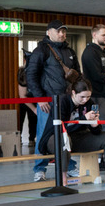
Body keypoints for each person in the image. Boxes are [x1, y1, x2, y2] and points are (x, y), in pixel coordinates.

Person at [37, 79, 105, 188]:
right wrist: (84, 119)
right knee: (64, 140)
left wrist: (94, 125)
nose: (85, 100)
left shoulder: (89, 103)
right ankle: (62, 179)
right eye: (82, 97)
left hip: (78, 138)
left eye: (88, 97)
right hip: (55, 139)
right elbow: (60, 129)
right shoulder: (62, 102)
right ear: (73, 93)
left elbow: (96, 132)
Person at [25, 20, 81, 181]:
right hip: (48, 102)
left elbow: (78, 74)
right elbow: (31, 76)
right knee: (43, 134)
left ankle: (69, 166)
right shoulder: (41, 50)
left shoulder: (70, 51)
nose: (62, 34)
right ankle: (39, 169)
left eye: (64, 31)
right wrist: (41, 99)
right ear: (48, 32)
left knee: (65, 136)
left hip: (67, 102)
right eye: (58, 31)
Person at [16, 54, 38, 150]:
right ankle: (18, 139)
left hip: (35, 99)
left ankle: (31, 139)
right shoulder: (22, 72)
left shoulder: (38, 71)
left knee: (33, 120)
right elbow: (22, 96)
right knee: (20, 119)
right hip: (24, 100)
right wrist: (33, 108)